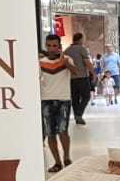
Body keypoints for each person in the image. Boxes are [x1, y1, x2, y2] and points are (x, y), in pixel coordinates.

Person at [40, 33, 75, 172]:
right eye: (49, 45)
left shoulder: (67, 59)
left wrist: (65, 63)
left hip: (63, 99)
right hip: (46, 100)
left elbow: (76, 73)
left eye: (54, 45)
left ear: (59, 46)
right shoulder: (41, 62)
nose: (51, 48)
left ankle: (67, 158)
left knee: (63, 131)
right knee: (50, 133)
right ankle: (57, 162)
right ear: (46, 46)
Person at [64, 32, 93, 125]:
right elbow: (87, 62)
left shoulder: (66, 50)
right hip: (82, 77)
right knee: (86, 96)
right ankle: (78, 114)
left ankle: (77, 117)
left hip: (71, 78)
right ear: (80, 39)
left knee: (75, 98)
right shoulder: (82, 49)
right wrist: (93, 73)